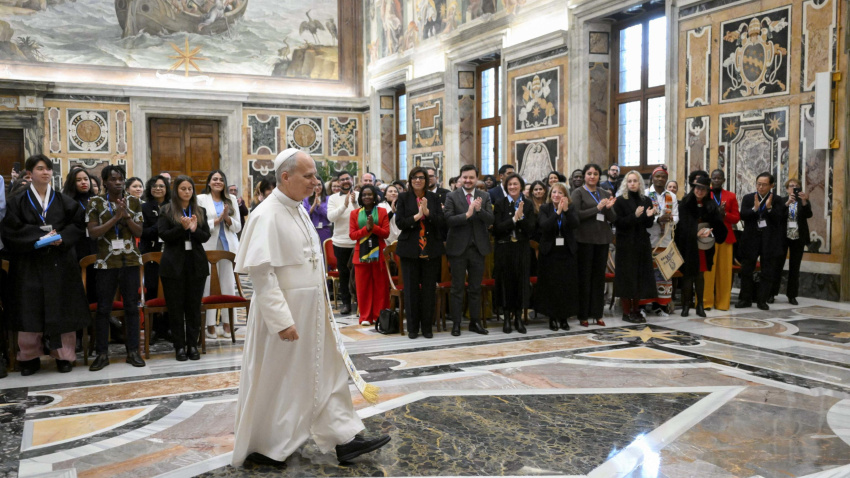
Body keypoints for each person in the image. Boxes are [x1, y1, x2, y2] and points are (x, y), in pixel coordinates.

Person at [232, 149, 389, 467]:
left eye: (315, 175)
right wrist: (281, 321)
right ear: (285, 176)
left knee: (325, 372)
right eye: (308, 176)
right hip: (286, 316)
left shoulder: (298, 208)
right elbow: (262, 274)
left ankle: (344, 438)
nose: (315, 182)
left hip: (314, 310)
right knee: (284, 380)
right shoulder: (266, 214)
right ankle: (268, 446)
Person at [2, 155, 88, 375]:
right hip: (29, 263)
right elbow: (11, 230)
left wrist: (61, 237)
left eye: (49, 169)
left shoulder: (64, 201)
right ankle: (28, 357)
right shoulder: (16, 201)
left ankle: (63, 356)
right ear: (30, 173)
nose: (46, 172)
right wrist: (37, 237)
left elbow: (77, 225)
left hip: (59, 262)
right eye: (40, 168)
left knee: (62, 308)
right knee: (29, 309)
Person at [86, 165, 145, 371]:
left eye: (121, 179)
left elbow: (139, 231)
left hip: (129, 261)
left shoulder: (134, 202)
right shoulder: (95, 202)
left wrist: (126, 216)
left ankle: (133, 351)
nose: (118, 183)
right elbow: (93, 232)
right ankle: (102, 354)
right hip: (105, 262)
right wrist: (115, 218)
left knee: (131, 306)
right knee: (103, 308)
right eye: (113, 179)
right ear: (104, 182)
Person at [157, 176, 210, 361]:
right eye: (183, 189)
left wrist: (194, 230)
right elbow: (164, 235)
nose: (187, 192)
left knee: (193, 307)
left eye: (190, 188)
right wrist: (182, 227)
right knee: (176, 308)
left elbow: (205, 237)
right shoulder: (166, 210)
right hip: (173, 266)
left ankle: (192, 346)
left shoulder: (200, 210)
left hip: (196, 265)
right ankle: (179, 347)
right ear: (176, 191)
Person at [394, 167, 445, 339]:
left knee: (429, 290)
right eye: (414, 177)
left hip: (430, 249)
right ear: (410, 180)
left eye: (421, 177)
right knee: (411, 290)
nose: (418, 180)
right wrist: (417, 216)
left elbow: (441, 222)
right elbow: (400, 223)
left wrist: (428, 213)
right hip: (410, 250)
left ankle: (427, 327)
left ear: (427, 180)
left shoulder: (433, 197)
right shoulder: (403, 197)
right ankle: (413, 328)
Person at [445, 165, 494, 336]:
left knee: (475, 288)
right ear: (460, 178)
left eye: (471, 177)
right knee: (457, 288)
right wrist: (467, 214)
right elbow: (448, 219)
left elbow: (490, 220)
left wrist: (479, 211)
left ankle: (475, 322)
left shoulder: (485, 196)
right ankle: (456, 324)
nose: (468, 180)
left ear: (476, 179)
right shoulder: (451, 196)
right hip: (458, 248)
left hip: (478, 248)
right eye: (465, 177)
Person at [197, 170, 242, 340]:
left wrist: (228, 219)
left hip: (227, 247)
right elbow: (200, 224)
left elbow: (238, 227)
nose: (218, 182)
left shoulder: (230, 200)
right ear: (209, 182)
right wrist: (216, 220)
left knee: (228, 285)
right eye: (214, 179)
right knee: (208, 285)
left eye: (221, 179)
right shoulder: (201, 199)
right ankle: (210, 326)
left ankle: (227, 323)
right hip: (208, 246)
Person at [675, 175, 727, 317]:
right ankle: (686, 305)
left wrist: (711, 230)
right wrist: (695, 233)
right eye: (698, 188)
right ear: (693, 188)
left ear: (707, 191)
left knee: (700, 275)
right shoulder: (685, 203)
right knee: (687, 276)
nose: (700, 191)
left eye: (703, 189)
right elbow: (682, 227)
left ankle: (700, 306)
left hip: (704, 246)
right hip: (688, 245)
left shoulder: (711, 205)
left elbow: (717, 225)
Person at [571, 163, 616, 327]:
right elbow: (575, 216)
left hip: (602, 240)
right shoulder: (578, 193)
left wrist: (609, 209)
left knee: (599, 279)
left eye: (595, 174)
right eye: (589, 173)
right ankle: (583, 314)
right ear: (584, 176)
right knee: (585, 278)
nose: (592, 176)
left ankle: (598, 314)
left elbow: (612, 218)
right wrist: (596, 209)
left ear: (599, 176)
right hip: (584, 240)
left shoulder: (604, 193)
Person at [491, 173, 535, 334]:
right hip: (504, 249)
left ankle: (518, 317)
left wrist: (521, 218)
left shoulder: (528, 205)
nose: (512, 187)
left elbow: (531, 229)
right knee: (506, 283)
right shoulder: (500, 204)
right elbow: (497, 229)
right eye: (509, 185)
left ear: (521, 186)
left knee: (521, 282)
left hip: (522, 249)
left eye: (515, 184)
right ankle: (507, 319)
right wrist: (513, 220)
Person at [613, 171, 658, 323]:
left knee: (639, 277)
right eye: (629, 181)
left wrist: (650, 215)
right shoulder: (620, 201)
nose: (632, 183)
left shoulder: (646, 200)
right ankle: (626, 312)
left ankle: (636, 310)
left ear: (640, 183)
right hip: (626, 244)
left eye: (635, 181)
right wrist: (635, 216)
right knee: (627, 278)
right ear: (626, 183)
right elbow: (618, 223)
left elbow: (648, 225)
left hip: (641, 243)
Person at [737, 172, 785, 310]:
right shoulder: (748, 198)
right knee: (746, 269)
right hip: (751, 238)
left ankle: (762, 300)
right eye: (758, 184)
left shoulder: (777, 200)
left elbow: (779, 219)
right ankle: (745, 299)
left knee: (767, 271)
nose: (761, 187)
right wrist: (755, 209)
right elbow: (743, 215)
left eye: (764, 184)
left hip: (769, 240)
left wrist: (769, 208)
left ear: (771, 185)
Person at [536, 182, 579, 330]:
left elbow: (575, 225)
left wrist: (565, 211)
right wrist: (557, 213)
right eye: (554, 192)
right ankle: (552, 317)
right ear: (550, 194)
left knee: (566, 285)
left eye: (560, 193)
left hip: (567, 252)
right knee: (551, 286)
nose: (556, 195)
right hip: (550, 252)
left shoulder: (571, 208)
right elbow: (545, 226)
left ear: (565, 196)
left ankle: (564, 317)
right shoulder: (544, 208)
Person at [348, 184, 390, 326]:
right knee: (363, 288)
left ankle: (379, 316)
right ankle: (365, 317)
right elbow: (353, 235)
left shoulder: (382, 211)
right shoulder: (354, 214)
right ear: (361, 197)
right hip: (361, 255)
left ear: (375, 197)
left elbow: (386, 233)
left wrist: (374, 228)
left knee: (380, 287)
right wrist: (367, 229)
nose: (367, 197)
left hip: (380, 255)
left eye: (369, 194)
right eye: (364, 195)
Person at [769, 177, 812, 305]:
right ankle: (772, 293)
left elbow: (808, 215)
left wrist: (804, 202)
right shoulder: (781, 201)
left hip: (798, 236)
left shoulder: (803, 201)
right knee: (778, 265)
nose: (793, 187)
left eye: (796, 185)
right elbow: (776, 215)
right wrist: (787, 203)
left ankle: (792, 295)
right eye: (791, 186)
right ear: (787, 189)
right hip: (783, 236)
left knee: (795, 266)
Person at [643, 166, 678, 316]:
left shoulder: (672, 196)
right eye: (657, 176)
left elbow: (677, 216)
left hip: (665, 241)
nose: (660, 179)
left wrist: (670, 219)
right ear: (652, 178)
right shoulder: (645, 194)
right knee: (648, 274)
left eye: (663, 177)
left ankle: (661, 306)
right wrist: (658, 219)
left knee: (663, 274)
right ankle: (644, 306)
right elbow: (644, 216)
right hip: (649, 239)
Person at [703, 169, 740, 311]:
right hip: (708, 236)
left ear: (724, 180)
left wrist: (725, 214)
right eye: (714, 178)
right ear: (711, 180)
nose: (717, 180)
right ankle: (706, 302)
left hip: (726, 237)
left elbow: (736, 218)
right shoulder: (705, 194)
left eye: (719, 178)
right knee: (708, 270)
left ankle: (723, 303)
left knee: (724, 272)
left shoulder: (730, 196)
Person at [140, 175, 171, 342]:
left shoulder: (173, 206)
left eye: (161, 185)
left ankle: (167, 328)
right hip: (150, 254)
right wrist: (160, 224)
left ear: (166, 188)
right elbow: (141, 232)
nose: (158, 188)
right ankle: (152, 329)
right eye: (154, 186)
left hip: (170, 253)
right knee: (151, 289)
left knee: (169, 290)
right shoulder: (143, 207)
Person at [327, 171, 358, 315]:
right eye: (342, 180)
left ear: (352, 180)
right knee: (344, 274)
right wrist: (345, 205)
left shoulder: (358, 195)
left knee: (358, 275)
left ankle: (359, 302)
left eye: (347, 178)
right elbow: (331, 217)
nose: (345, 181)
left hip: (357, 241)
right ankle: (346, 303)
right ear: (338, 182)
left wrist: (354, 202)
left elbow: (362, 215)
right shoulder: (333, 198)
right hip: (340, 242)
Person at [304, 181, 332, 245]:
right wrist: (313, 206)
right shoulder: (306, 199)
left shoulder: (328, 199)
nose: (317, 187)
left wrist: (320, 206)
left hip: (324, 230)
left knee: (324, 251)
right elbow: (305, 215)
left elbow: (329, 216)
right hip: (312, 230)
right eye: (315, 185)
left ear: (322, 186)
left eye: (319, 185)